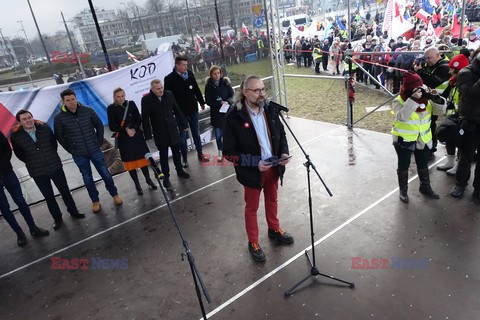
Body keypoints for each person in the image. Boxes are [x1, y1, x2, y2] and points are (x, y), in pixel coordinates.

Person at [223, 75, 293, 262]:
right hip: (252, 171)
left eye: (263, 89)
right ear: (245, 93)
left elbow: (282, 135)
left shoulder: (270, 109)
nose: (262, 93)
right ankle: (253, 242)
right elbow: (228, 152)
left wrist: (284, 153)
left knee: (273, 200)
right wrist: (255, 162)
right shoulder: (234, 117)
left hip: (273, 166)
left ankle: (274, 229)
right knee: (252, 208)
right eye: (257, 90)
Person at [10, 110, 85, 230]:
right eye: (24, 119)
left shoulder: (44, 128)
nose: (28, 120)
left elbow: (53, 145)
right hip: (38, 172)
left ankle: (73, 211)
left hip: (55, 166)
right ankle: (57, 218)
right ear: (19, 122)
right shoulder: (16, 136)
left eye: (29, 117)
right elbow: (20, 155)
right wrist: (34, 161)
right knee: (48, 196)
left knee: (65, 191)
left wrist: (50, 157)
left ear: (32, 117)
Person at [54, 88, 122, 213]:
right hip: (79, 154)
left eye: (73, 99)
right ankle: (95, 201)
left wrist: (99, 141)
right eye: (67, 100)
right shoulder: (59, 118)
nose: (71, 102)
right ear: (63, 102)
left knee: (105, 174)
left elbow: (99, 125)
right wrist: (71, 149)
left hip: (94, 149)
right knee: (87, 178)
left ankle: (114, 194)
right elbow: (60, 136)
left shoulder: (88, 110)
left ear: (76, 98)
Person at [392, 71, 446, 203]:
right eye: (416, 88)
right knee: (403, 166)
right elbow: (402, 116)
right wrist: (413, 100)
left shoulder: (426, 99)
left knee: (423, 165)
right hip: (404, 140)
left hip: (423, 139)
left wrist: (436, 98)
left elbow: (441, 112)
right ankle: (403, 191)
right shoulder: (398, 100)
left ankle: (425, 187)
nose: (420, 91)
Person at [0, 130, 49, 246]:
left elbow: (7, 149)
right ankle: (19, 233)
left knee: (21, 201)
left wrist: (5, 165)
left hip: (8, 173)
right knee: (4, 208)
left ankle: (33, 227)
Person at [107, 88, 157, 195]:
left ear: (125, 95)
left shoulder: (131, 104)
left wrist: (133, 128)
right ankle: (137, 184)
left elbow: (138, 119)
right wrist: (125, 130)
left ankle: (148, 179)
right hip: (124, 139)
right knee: (130, 163)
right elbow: (112, 126)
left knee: (142, 160)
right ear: (114, 97)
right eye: (118, 97)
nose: (121, 99)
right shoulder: (111, 108)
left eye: (122, 96)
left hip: (136, 136)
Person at [142, 79, 190, 189]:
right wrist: (148, 135)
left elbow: (177, 109)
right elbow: (145, 118)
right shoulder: (146, 100)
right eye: (158, 89)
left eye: (161, 88)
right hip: (160, 133)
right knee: (163, 156)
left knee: (176, 153)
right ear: (152, 89)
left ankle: (180, 170)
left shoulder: (169, 94)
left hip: (173, 130)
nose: (161, 90)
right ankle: (166, 177)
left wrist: (184, 123)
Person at [164, 56, 209, 167]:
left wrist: (201, 102)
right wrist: (172, 111)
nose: (186, 67)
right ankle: (184, 158)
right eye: (183, 65)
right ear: (177, 65)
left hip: (193, 109)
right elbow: (168, 97)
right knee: (182, 137)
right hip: (180, 113)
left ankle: (200, 153)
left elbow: (196, 88)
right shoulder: (169, 78)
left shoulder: (189, 73)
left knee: (196, 132)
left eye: (186, 64)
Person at [450, 49, 480, 199]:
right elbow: (470, 95)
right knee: (465, 157)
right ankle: (460, 184)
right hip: (471, 123)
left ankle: (478, 189)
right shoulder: (465, 73)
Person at [414, 47, 450, 158]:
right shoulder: (433, 65)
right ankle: (423, 145)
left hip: (436, 100)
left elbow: (430, 81)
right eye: (426, 58)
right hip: (428, 99)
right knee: (425, 123)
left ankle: (430, 148)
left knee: (430, 124)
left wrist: (420, 72)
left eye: (429, 58)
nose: (427, 61)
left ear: (438, 55)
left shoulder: (444, 67)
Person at [436, 54, 470, 174]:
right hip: (452, 116)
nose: (449, 71)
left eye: (451, 69)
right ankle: (450, 161)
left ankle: (458, 164)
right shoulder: (453, 82)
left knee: (461, 142)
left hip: (462, 117)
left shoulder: (464, 83)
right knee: (450, 139)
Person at [204, 65, 234, 161]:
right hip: (216, 114)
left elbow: (232, 95)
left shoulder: (225, 83)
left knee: (229, 133)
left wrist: (228, 101)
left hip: (227, 112)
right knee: (218, 135)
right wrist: (218, 103)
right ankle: (220, 151)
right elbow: (208, 101)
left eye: (218, 73)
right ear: (211, 75)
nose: (217, 75)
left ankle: (230, 150)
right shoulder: (208, 86)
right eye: (214, 74)